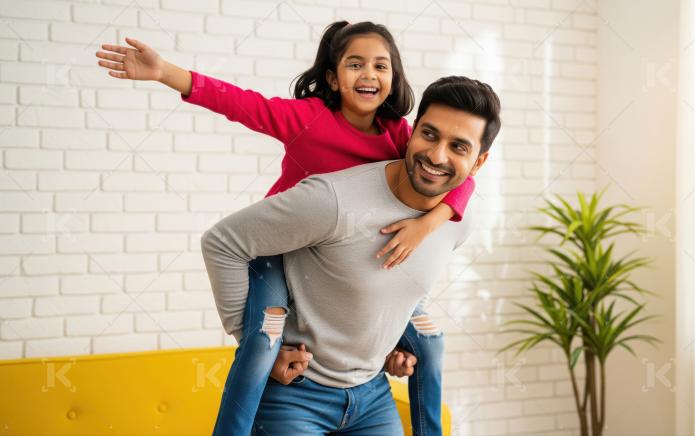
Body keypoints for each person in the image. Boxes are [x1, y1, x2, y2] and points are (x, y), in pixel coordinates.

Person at [95, 21, 475, 436]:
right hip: (277, 255)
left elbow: (462, 177)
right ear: (332, 77)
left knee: (430, 342)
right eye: (354, 64)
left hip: (349, 265)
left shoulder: (400, 134)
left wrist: (429, 223)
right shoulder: (308, 118)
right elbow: (240, 103)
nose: (368, 75)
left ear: (394, 78)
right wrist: (165, 71)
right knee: (261, 344)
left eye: (380, 66)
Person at [201, 75, 502, 435]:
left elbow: (400, 289)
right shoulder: (334, 199)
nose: (436, 156)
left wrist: (389, 347)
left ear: (479, 162)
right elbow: (222, 242)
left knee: (432, 339)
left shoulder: (457, 223)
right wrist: (257, 343)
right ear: (412, 131)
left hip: (373, 397)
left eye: (459, 147)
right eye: (430, 135)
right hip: (294, 396)